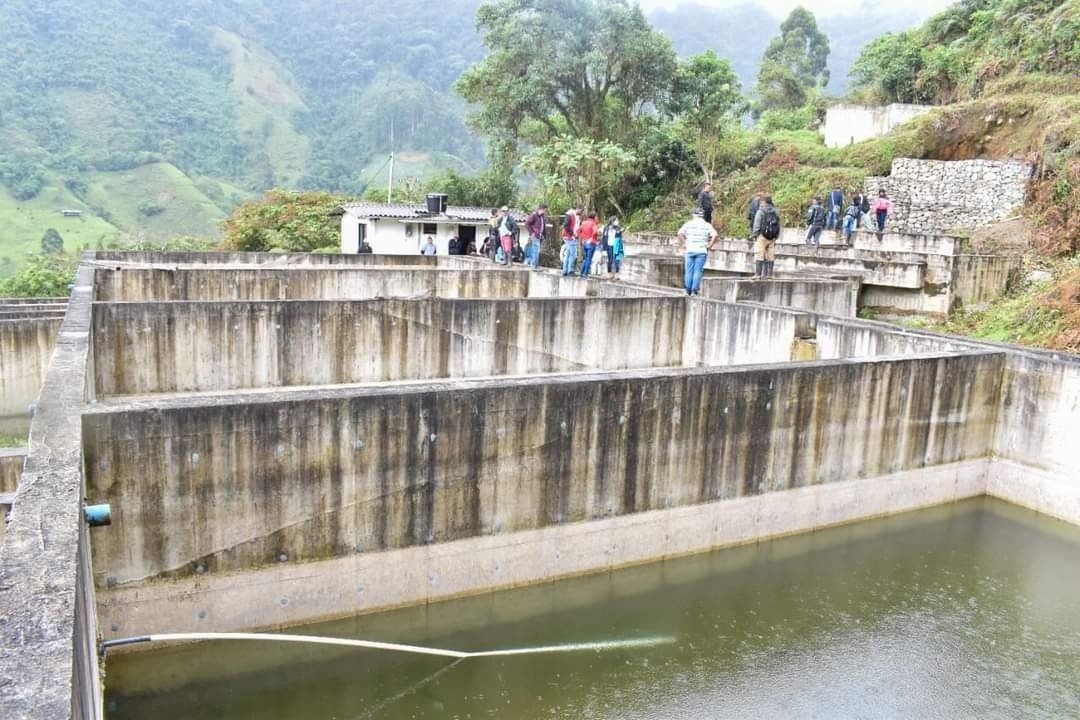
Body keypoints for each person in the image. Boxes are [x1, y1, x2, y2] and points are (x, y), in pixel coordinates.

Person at [678, 207, 717, 295]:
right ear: (702, 216)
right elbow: (715, 235)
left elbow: (679, 233)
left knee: (689, 271)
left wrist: (684, 243)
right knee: (698, 271)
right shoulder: (707, 225)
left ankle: (687, 290)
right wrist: (710, 245)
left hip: (690, 249)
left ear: (694, 215)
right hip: (702, 250)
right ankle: (694, 291)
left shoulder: (688, 224)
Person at [751, 195, 781, 279]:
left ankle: (758, 274)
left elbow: (757, 225)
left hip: (762, 236)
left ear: (764, 202)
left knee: (759, 254)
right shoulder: (776, 211)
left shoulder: (761, 211)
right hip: (772, 237)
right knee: (770, 255)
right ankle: (770, 275)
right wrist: (776, 236)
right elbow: (778, 225)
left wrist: (754, 235)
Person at [524, 204, 547, 269]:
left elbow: (543, 226)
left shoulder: (542, 216)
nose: (545, 212)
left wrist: (544, 235)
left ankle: (535, 265)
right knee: (535, 250)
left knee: (537, 250)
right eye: (545, 210)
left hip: (540, 236)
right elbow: (526, 223)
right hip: (535, 235)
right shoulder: (534, 215)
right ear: (541, 209)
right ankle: (534, 265)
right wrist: (532, 233)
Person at [561, 205, 581, 276]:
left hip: (570, 236)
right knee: (573, 254)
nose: (580, 212)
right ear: (577, 209)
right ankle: (570, 270)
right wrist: (572, 234)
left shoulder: (575, 216)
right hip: (569, 237)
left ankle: (565, 270)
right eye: (580, 210)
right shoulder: (570, 215)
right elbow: (566, 226)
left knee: (568, 254)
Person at [578, 211, 600, 278]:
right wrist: (592, 238)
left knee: (585, 258)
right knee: (589, 259)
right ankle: (585, 274)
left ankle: (581, 273)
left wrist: (582, 239)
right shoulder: (593, 223)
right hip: (591, 243)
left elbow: (578, 231)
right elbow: (595, 232)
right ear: (594, 217)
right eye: (596, 217)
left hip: (584, 242)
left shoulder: (584, 222)